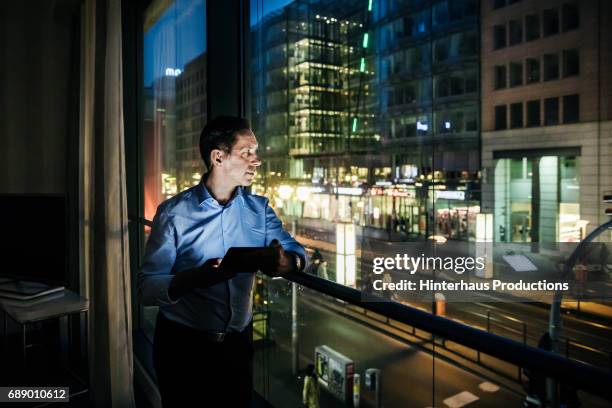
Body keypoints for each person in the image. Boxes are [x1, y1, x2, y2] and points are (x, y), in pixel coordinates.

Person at [138, 116, 306, 407]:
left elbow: (296, 252)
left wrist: (286, 262)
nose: (257, 160)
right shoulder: (173, 214)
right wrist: (195, 278)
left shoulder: (260, 210)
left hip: (238, 348)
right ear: (218, 157)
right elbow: (147, 288)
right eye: (247, 152)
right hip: (182, 348)